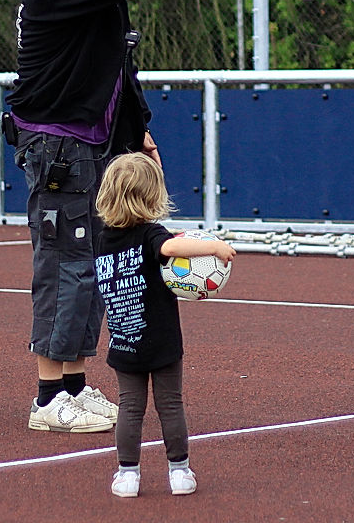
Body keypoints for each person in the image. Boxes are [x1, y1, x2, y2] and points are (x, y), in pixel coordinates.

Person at [9, 0, 205, 434]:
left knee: (93, 263)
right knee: (64, 263)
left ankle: (72, 383)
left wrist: (139, 131)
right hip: (58, 146)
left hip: (94, 142)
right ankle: (48, 398)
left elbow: (119, 64)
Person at [94, 152, 235, 498]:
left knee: (130, 407)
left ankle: (128, 475)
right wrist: (213, 247)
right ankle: (179, 471)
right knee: (169, 403)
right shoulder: (151, 234)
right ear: (152, 196)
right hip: (161, 339)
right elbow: (171, 246)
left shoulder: (103, 240)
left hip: (123, 338)